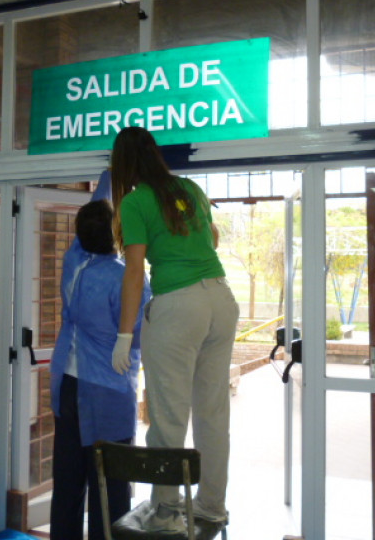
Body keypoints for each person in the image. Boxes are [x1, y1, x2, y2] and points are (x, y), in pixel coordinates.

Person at [110, 126, 240, 533]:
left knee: (168, 415)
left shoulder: (135, 201)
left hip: (179, 305)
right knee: (213, 413)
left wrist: (124, 334)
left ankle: (166, 511)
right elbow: (212, 239)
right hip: (221, 298)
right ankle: (212, 505)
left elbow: (134, 272)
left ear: (123, 164)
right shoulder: (188, 188)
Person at [49, 171, 150, 540]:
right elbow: (141, 336)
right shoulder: (127, 278)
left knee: (69, 483)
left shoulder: (73, 263)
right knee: (110, 489)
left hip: (68, 385)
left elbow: (92, 215)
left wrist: (111, 174)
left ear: (82, 233)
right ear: (120, 234)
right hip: (107, 390)